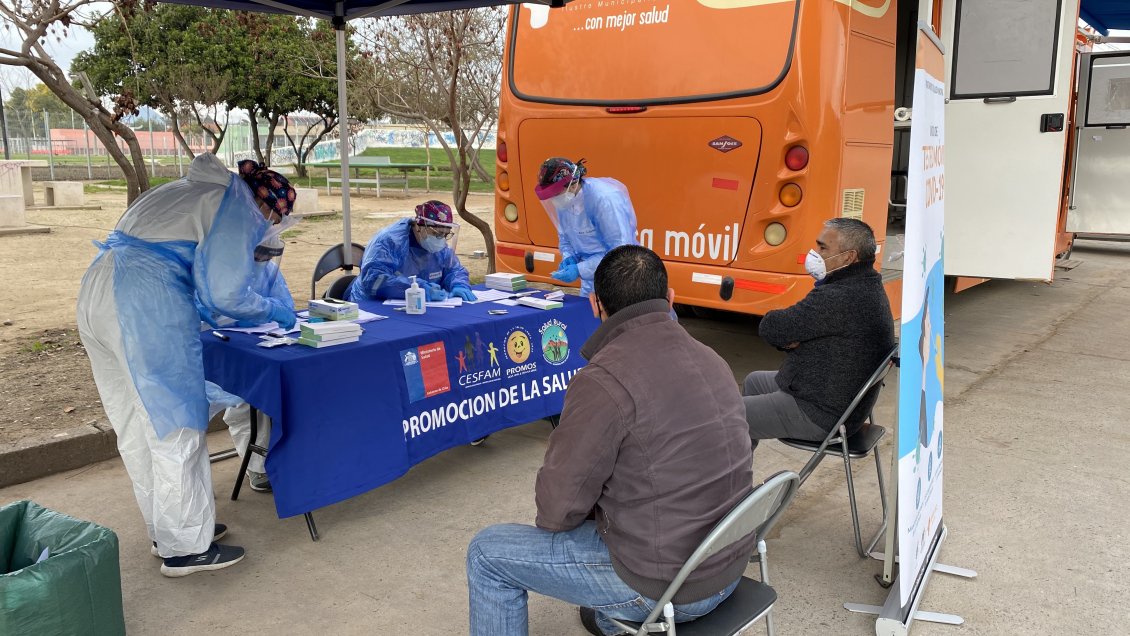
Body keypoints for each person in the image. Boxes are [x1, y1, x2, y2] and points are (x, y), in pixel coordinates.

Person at [466, 245, 755, 636]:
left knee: (487, 553)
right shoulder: (712, 357)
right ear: (670, 299)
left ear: (595, 304)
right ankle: (612, 619)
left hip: (665, 587)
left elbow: (557, 510)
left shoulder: (603, 380)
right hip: (728, 564)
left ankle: (625, 615)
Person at [76, 153, 298, 577]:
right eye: (275, 220)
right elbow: (225, 295)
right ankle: (186, 548)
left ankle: (170, 530)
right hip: (145, 304)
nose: (269, 230)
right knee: (176, 423)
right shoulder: (238, 207)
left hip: (99, 294)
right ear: (268, 207)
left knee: (139, 426)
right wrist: (272, 311)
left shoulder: (188, 190)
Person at [743, 218, 895, 448]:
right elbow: (792, 329)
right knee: (754, 381)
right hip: (838, 402)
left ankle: (732, 481)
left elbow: (772, 328)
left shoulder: (839, 297)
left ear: (848, 256)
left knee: (724, 417)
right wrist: (800, 339)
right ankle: (740, 473)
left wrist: (798, 339)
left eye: (823, 247)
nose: (815, 253)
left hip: (820, 413)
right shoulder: (867, 284)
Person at [201, 235, 295, 494]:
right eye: (258, 255)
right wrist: (238, 315)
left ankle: (269, 460)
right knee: (244, 401)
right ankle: (257, 465)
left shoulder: (269, 271)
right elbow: (205, 311)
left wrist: (267, 313)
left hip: (256, 345)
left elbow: (285, 305)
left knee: (269, 389)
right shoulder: (213, 270)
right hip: (214, 349)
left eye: (268, 256)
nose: (262, 261)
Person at [534, 157, 638, 297]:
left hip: (620, 280)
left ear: (573, 183)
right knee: (589, 314)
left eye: (556, 193)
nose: (553, 199)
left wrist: (579, 269)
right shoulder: (565, 201)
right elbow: (565, 237)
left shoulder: (604, 199)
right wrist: (568, 256)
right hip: (591, 282)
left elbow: (620, 253)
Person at [347, 200, 475, 303]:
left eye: (445, 235)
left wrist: (459, 284)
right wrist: (418, 288)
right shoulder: (389, 241)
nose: (441, 239)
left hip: (420, 306)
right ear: (419, 226)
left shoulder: (437, 247)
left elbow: (453, 269)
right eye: (437, 234)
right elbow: (374, 280)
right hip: (373, 306)